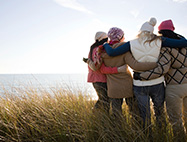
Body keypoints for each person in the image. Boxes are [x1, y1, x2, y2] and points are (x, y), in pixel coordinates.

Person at [102, 18, 187, 131]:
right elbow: (184, 42)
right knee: (159, 113)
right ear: (152, 31)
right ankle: (161, 134)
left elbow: (112, 52)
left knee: (144, 115)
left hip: (139, 84)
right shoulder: (160, 40)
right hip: (158, 82)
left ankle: (148, 136)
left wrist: (105, 44)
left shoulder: (131, 43)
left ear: (140, 31)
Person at [134, 19, 187, 140]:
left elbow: (162, 68)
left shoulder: (165, 48)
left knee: (176, 120)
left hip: (174, 88)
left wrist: (142, 76)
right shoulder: (185, 45)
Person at [92, 27, 158, 119]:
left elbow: (100, 68)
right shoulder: (124, 50)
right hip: (127, 86)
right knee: (134, 112)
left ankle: (118, 132)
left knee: (116, 114)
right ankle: (136, 130)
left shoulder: (102, 51)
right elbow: (136, 65)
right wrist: (155, 65)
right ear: (120, 37)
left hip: (113, 88)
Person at [85, 31, 128, 114]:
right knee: (105, 102)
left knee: (102, 99)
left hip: (95, 80)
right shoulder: (100, 49)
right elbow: (99, 68)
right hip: (101, 79)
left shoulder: (92, 49)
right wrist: (118, 69)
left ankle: (95, 115)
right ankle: (102, 119)